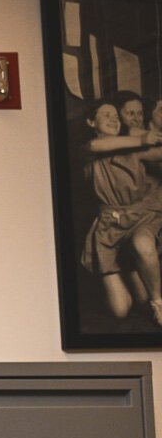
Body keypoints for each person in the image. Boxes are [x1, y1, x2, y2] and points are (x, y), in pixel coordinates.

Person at [78, 99, 162, 323]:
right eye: (106, 115)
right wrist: (141, 137)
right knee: (121, 310)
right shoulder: (89, 149)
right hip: (110, 227)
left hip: (141, 217)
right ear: (90, 122)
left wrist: (150, 130)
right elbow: (97, 146)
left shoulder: (136, 150)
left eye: (116, 116)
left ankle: (159, 303)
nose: (113, 119)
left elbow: (157, 155)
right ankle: (129, 266)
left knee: (143, 245)